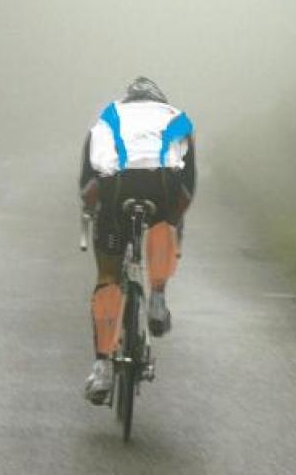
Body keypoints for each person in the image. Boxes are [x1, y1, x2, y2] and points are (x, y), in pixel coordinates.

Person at [79, 76, 197, 404]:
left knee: (107, 276)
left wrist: (93, 211)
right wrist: (173, 221)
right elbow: (188, 185)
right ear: (159, 100)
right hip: (162, 187)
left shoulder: (108, 116)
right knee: (164, 225)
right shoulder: (177, 116)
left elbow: (88, 182)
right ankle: (157, 298)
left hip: (116, 192)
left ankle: (102, 367)